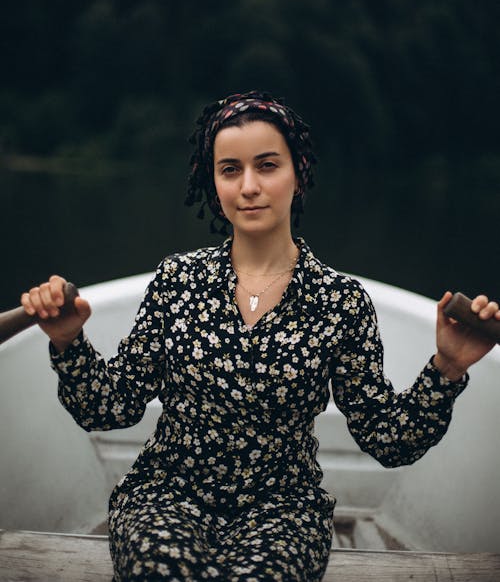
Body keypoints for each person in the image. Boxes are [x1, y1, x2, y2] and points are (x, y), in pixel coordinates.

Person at [21, 91, 499, 582]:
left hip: (284, 509)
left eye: (267, 165)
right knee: (158, 571)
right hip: (166, 494)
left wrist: (448, 367)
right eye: (230, 169)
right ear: (214, 182)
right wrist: (68, 343)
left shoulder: (340, 301)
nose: (249, 186)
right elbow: (108, 407)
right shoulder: (176, 282)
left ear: (298, 173)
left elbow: (387, 439)